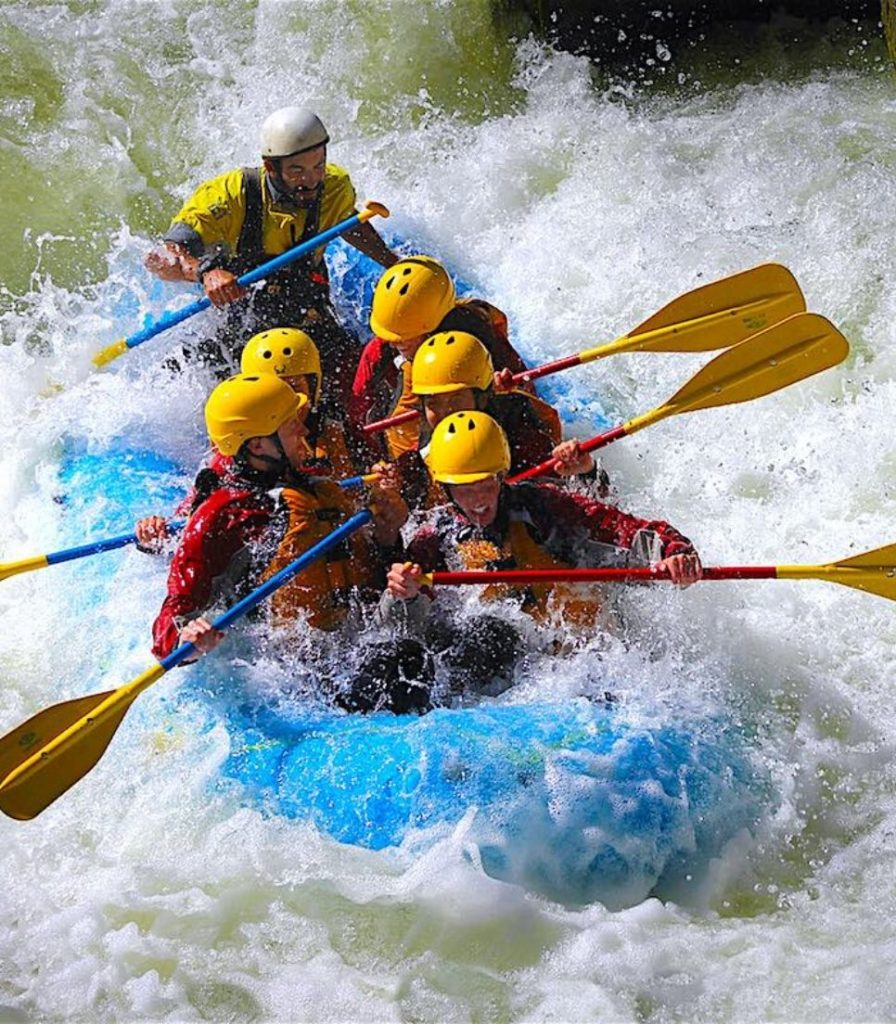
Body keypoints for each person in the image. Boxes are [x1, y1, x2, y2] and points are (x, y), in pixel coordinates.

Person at [380, 411, 702, 695]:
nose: (478, 498)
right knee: (486, 633)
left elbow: (625, 527)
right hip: (505, 675)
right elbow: (400, 630)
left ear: (501, 475)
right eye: (465, 488)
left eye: (486, 483)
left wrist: (674, 553)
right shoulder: (433, 539)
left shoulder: (545, 506)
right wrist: (403, 596)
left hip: (579, 659)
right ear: (446, 487)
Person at [151, 372, 406, 667]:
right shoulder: (221, 516)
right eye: (290, 424)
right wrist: (187, 640)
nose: (303, 431)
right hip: (287, 669)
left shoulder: (316, 484)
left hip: (354, 640)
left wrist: (388, 534)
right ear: (258, 445)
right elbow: (172, 617)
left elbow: (364, 568)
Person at [144, 106, 397, 398]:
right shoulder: (228, 196)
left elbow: (348, 223)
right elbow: (167, 255)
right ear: (270, 167)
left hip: (307, 311)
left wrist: (393, 263)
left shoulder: (334, 187)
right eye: (297, 171)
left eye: (318, 166)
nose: (312, 180)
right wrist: (206, 273)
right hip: (244, 322)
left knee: (357, 386)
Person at [134, 326, 362, 552]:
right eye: (274, 392)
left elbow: (356, 495)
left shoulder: (333, 430)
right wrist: (156, 535)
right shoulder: (235, 453)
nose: (287, 401)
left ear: (314, 388)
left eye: (294, 388)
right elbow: (191, 522)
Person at [349, 256, 533, 462]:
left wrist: (501, 389)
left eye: (402, 337)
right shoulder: (384, 343)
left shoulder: (478, 336)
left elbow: (525, 391)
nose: (393, 343)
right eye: (391, 335)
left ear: (435, 324)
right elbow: (357, 406)